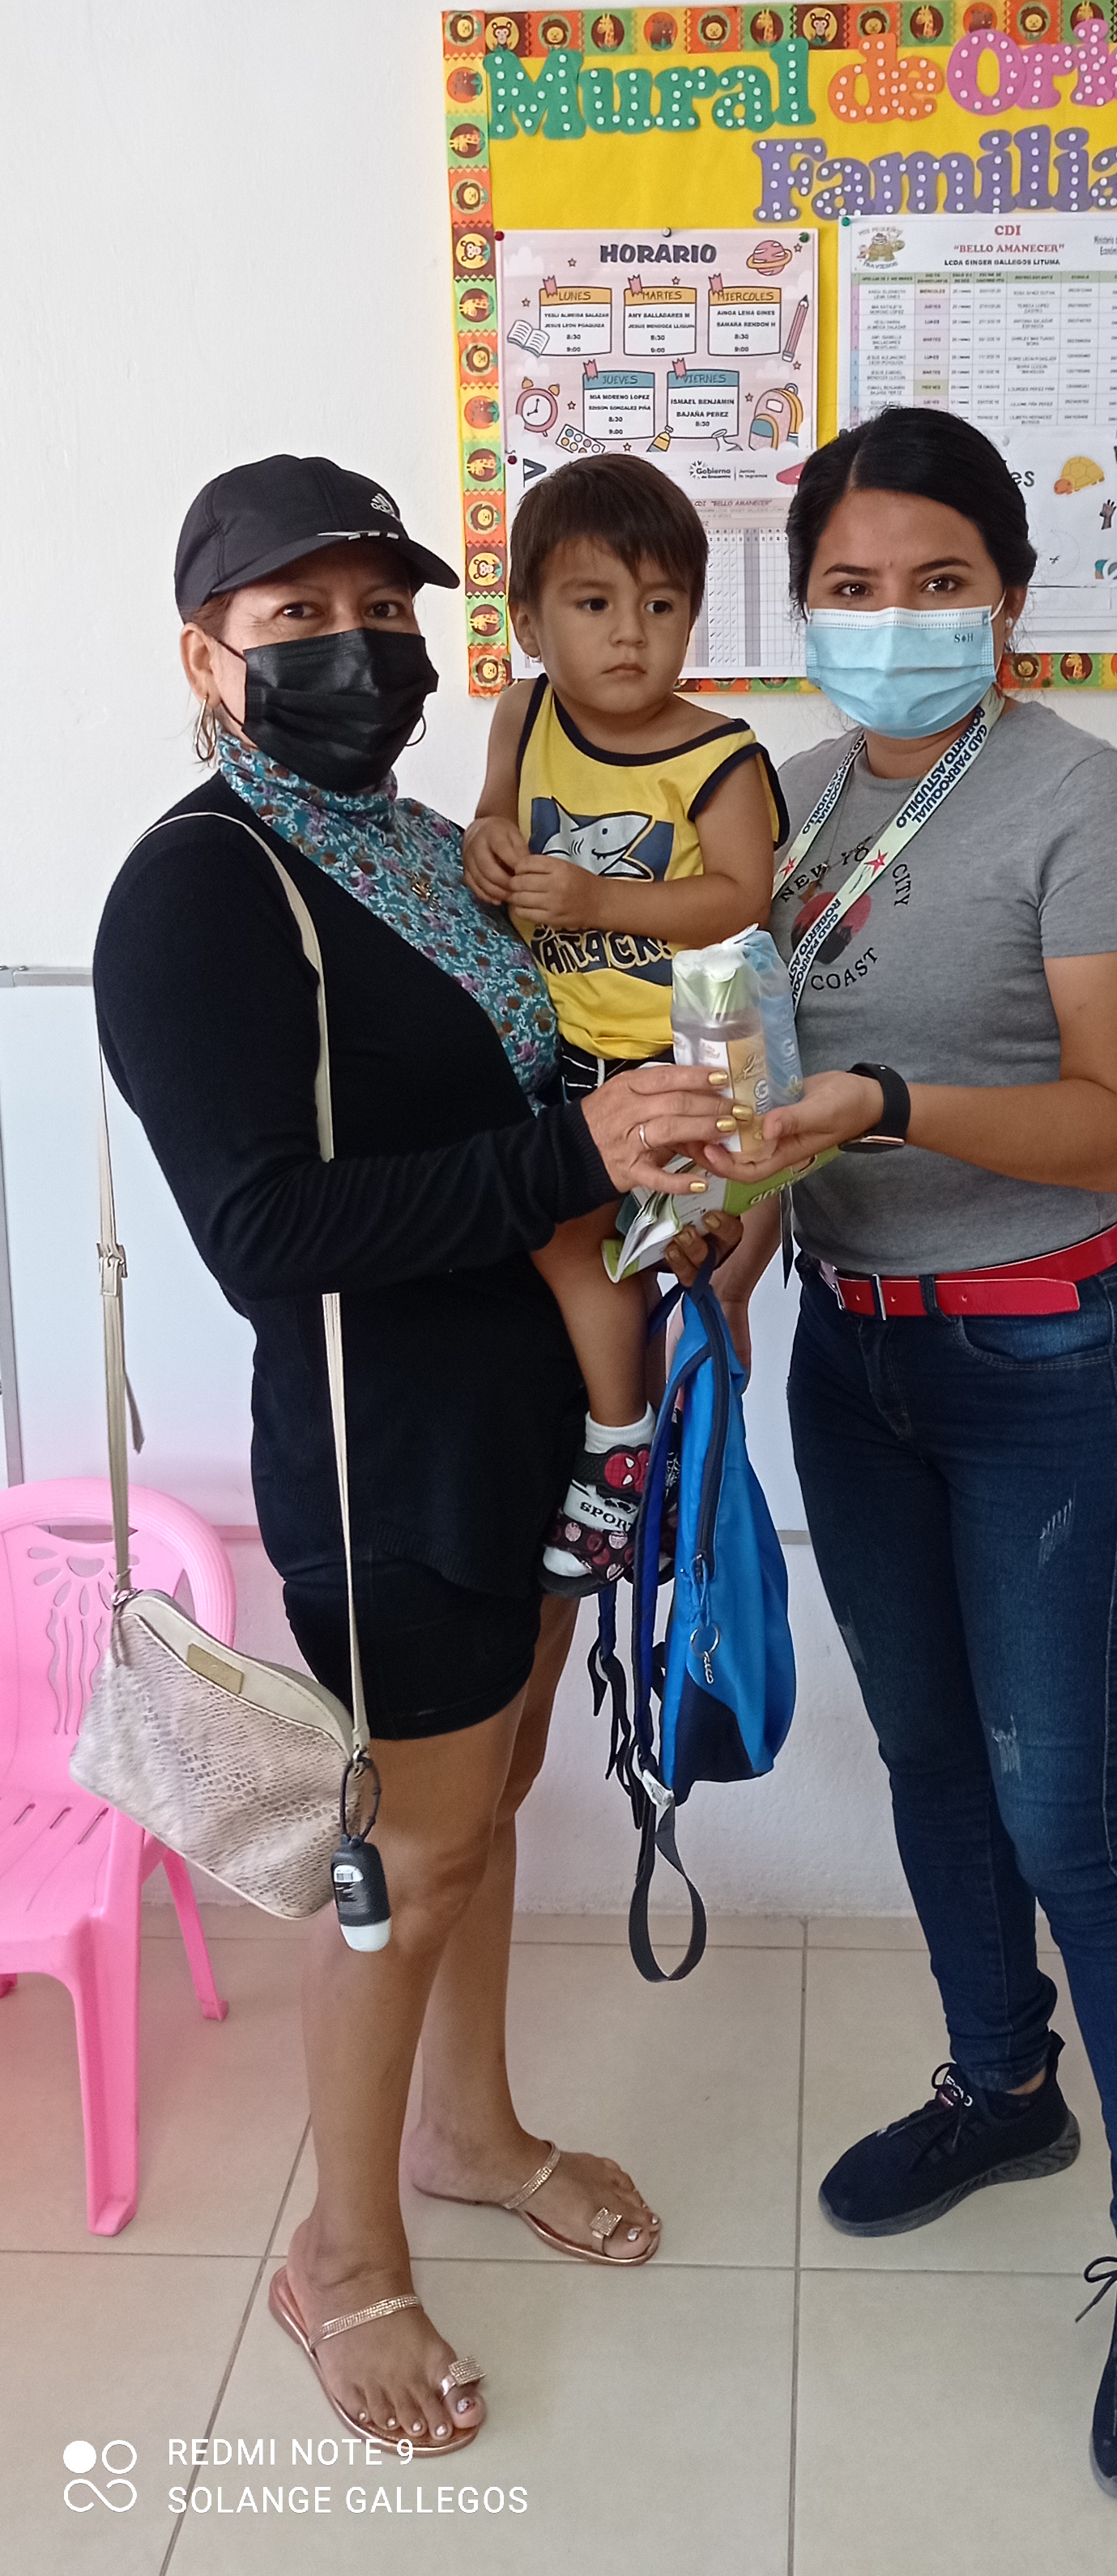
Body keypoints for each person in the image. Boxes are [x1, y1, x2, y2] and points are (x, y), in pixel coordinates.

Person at [92, 454, 740, 2455]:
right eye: (297, 619)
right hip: (390, 1455)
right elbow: (264, 1233)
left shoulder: (423, 849)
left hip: (539, 1413)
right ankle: (341, 2253)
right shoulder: (200, 889)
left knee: (493, 1801)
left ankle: (472, 2131)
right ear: (204, 657)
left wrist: (664, 1172)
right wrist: (572, 1155)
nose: (355, 649)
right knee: (409, 1850)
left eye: (384, 613)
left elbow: (531, 1081)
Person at [709, 411, 1117, 2506]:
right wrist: (710, 1236)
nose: (895, 618)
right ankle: (1003, 2086)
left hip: (1059, 1362)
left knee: (1074, 1823)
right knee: (930, 1758)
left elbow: (1110, 1125)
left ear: (1009, 593)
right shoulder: (780, 804)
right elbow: (755, 1086)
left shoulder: (1088, 804)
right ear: (804, 604)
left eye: (938, 582)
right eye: (851, 585)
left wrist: (885, 1102)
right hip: (856, 1360)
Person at [463, 456, 786, 1591]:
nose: (630, 635)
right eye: (594, 603)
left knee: (673, 1257)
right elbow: (493, 816)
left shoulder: (719, 754)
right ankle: (632, 1437)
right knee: (571, 1236)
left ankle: (636, 1453)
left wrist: (599, 899)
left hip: (700, 1051)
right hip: (576, 1053)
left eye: (660, 605)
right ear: (529, 624)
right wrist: (487, 844)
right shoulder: (524, 713)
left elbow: (741, 897)